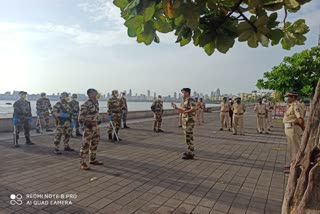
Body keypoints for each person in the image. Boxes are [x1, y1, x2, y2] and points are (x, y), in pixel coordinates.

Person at [79, 88, 103, 170]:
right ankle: (83, 163)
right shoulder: (86, 104)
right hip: (89, 127)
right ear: (90, 94)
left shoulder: (96, 103)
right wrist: (85, 125)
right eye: (95, 93)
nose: (97, 94)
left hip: (96, 127)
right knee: (85, 145)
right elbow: (81, 118)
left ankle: (92, 159)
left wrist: (98, 119)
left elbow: (96, 113)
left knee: (95, 143)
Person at [172, 88, 197, 159]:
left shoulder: (190, 100)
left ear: (187, 93)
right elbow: (182, 110)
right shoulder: (184, 101)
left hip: (189, 120)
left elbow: (194, 108)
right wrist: (176, 108)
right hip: (185, 121)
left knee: (189, 136)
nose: (182, 94)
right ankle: (189, 151)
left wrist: (186, 111)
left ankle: (191, 153)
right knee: (187, 136)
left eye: (183, 92)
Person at [283, 91, 305, 173]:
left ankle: (296, 167)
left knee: (295, 148)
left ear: (293, 97)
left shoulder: (296, 105)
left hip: (293, 128)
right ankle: (293, 164)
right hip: (290, 128)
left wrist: (303, 128)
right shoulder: (291, 105)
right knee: (291, 148)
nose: (287, 98)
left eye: (289, 96)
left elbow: (300, 119)